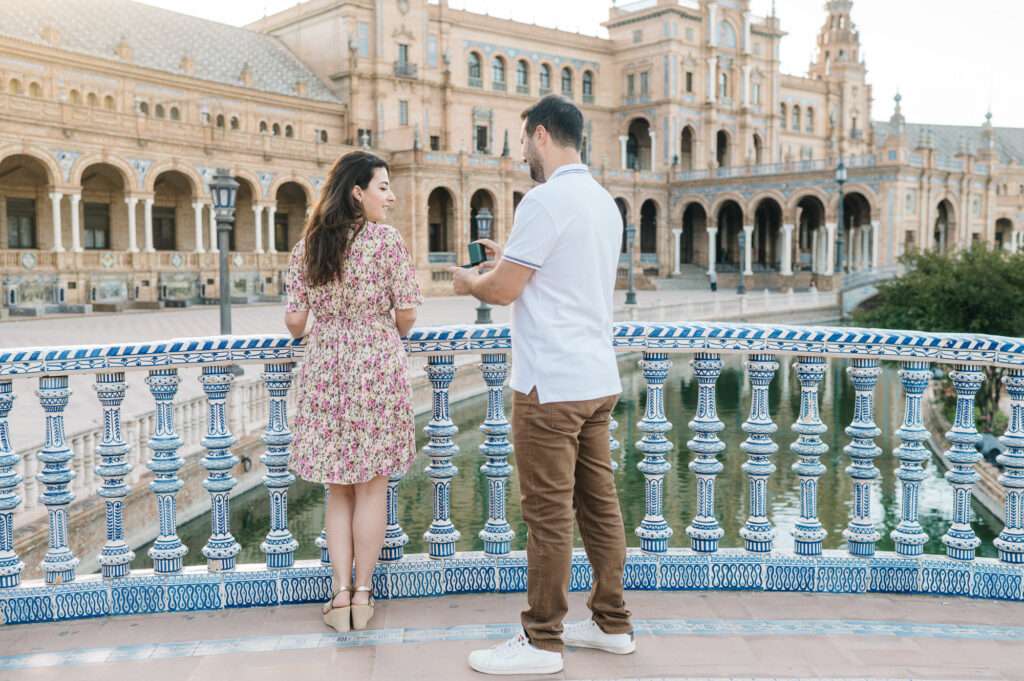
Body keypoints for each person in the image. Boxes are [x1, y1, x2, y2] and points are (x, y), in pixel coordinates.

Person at [451, 94, 635, 676]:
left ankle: (542, 641)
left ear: (538, 135)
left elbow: (504, 292)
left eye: (525, 139)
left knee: (548, 514)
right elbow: (559, 273)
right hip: (596, 380)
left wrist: (468, 282)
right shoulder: (605, 203)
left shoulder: (544, 199)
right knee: (600, 507)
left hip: (549, 387)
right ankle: (612, 624)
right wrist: (511, 258)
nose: (524, 150)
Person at [284, 151, 421, 633]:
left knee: (338, 490)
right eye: (383, 186)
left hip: (326, 369)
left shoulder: (308, 246)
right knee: (373, 487)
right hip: (376, 367)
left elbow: (296, 323)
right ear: (357, 192)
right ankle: (364, 595)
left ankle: (338, 594)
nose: (391, 196)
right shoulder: (386, 242)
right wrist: (377, 321)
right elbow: (406, 315)